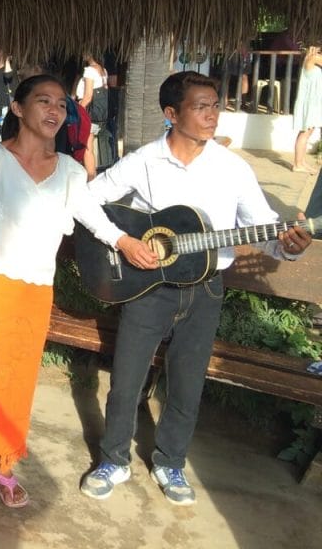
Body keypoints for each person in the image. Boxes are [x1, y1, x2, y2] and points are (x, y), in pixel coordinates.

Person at [0, 38, 156, 508]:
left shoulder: (68, 170)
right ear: (19, 108)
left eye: (61, 104)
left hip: (34, 288)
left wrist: (126, 242)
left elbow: (93, 217)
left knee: (18, 376)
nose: (55, 109)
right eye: (43, 100)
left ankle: (2, 460)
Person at [80, 71, 313, 507]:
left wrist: (289, 247)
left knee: (187, 384)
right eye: (201, 106)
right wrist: (125, 241)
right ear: (172, 114)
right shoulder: (144, 160)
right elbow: (87, 198)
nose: (213, 115)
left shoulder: (233, 168)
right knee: (127, 379)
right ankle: (113, 458)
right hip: (148, 287)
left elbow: (261, 230)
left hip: (205, 290)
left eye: (215, 105)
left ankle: (171, 462)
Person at [292, 44, 321, 174]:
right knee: (305, 132)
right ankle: (298, 164)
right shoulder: (311, 59)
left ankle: (302, 162)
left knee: (307, 132)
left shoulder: (312, 61)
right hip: (309, 103)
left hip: (313, 102)